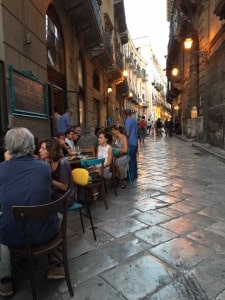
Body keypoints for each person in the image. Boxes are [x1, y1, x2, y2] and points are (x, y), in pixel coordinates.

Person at [0, 127, 60, 297]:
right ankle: (53, 264)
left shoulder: (2, 169)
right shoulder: (44, 167)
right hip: (45, 233)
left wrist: (6, 161)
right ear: (32, 145)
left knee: (3, 226)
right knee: (59, 214)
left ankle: (6, 280)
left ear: (8, 148)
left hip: (15, 237)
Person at [39, 137, 75, 203]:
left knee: (41, 203)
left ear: (51, 150)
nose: (40, 150)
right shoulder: (48, 162)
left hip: (66, 197)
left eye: (43, 149)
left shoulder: (62, 164)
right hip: (55, 194)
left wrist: (50, 180)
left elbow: (64, 187)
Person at [124, 109, 138, 180]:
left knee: (130, 160)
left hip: (130, 142)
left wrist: (123, 135)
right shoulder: (134, 121)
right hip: (135, 142)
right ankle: (135, 174)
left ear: (125, 115)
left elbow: (127, 133)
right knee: (134, 159)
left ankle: (131, 176)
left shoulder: (127, 121)